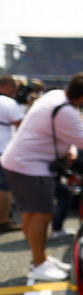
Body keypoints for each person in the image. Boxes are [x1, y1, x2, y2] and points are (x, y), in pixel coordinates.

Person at [1, 73, 83, 281]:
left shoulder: (55, 96)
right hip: (30, 167)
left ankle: (40, 258)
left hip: (18, 162)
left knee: (30, 214)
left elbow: (63, 135)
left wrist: (69, 148)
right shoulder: (68, 111)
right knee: (41, 215)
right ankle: (38, 264)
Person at [0, 75, 24, 234]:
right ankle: (3, 221)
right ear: (8, 87)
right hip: (3, 148)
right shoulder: (8, 102)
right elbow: (22, 124)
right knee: (4, 187)